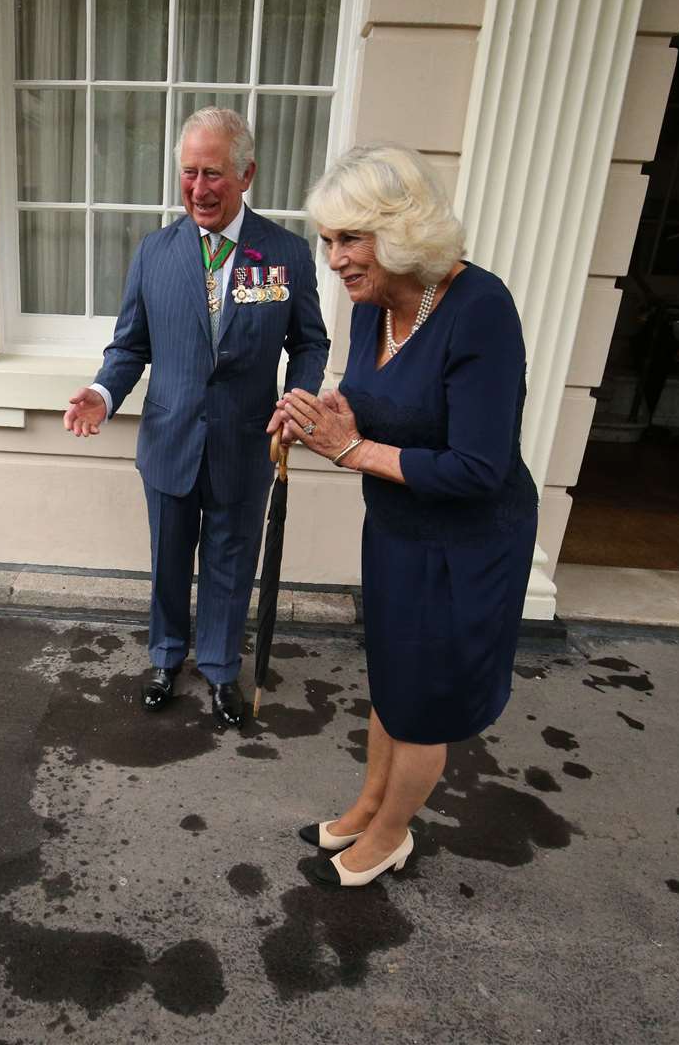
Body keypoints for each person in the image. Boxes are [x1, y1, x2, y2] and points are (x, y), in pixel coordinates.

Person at [276, 143, 538, 887]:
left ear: (401, 231)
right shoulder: (374, 305)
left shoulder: (480, 309)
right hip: (396, 529)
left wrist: (351, 449)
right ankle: (364, 808)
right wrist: (320, 413)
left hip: (467, 543)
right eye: (328, 241)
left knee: (423, 700)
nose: (334, 259)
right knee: (393, 680)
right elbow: (379, 404)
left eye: (348, 239)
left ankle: (391, 835)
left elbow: (479, 468)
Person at [63, 107, 330, 728]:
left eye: (213, 174)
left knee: (231, 564)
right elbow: (131, 345)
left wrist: (300, 397)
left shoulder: (284, 254)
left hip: (245, 441)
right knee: (169, 559)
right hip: (170, 438)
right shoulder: (155, 252)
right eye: (189, 173)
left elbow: (310, 342)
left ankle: (218, 669)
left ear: (247, 175)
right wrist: (104, 395)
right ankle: (165, 656)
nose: (199, 189)